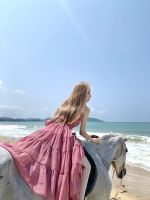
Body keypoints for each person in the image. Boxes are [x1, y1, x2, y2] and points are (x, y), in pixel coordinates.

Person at [0, 81, 100, 200]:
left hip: (50, 131)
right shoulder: (85, 109)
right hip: (64, 134)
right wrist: (93, 140)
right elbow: (83, 132)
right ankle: (81, 197)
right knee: (87, 166)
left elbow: (52, 120)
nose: (90, 95)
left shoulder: (66, 104)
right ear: (83, 94)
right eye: (89, 92)